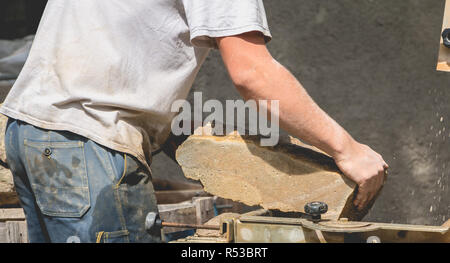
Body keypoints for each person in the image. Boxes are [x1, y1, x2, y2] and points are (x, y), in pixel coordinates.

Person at [0, 0, 388, 243]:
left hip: (33, 130)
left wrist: (208, 147)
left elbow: (117, 57)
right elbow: (253, 74)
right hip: (88, 141)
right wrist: (346, 149)